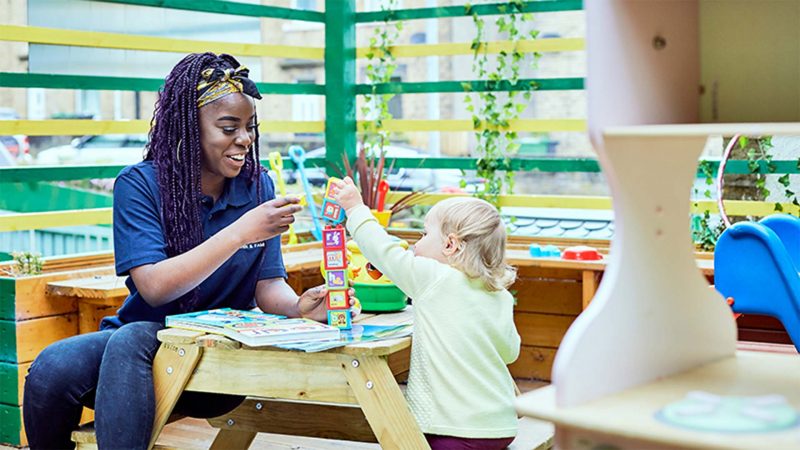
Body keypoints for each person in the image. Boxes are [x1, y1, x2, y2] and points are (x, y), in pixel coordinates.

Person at [23, 52, 355, 450]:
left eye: (249, 127)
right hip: (144, 337)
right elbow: (155, 289)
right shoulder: (140, 186)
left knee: (130, 341)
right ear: (189, 129)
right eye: (228, 127)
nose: (245, 140)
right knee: (51, 368)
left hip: (220, 357)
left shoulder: (257, 187)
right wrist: (237, 232)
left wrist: (300, 308)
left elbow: (268, 286)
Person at [331, 177, 521, 450]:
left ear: (450, 245)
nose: (416, 245)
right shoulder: (500, 295)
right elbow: (510, 352)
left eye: (424, 234)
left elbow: (385, 253)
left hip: (452, 432)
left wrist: (355, 209)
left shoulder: (434, 277)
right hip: (501, 427)